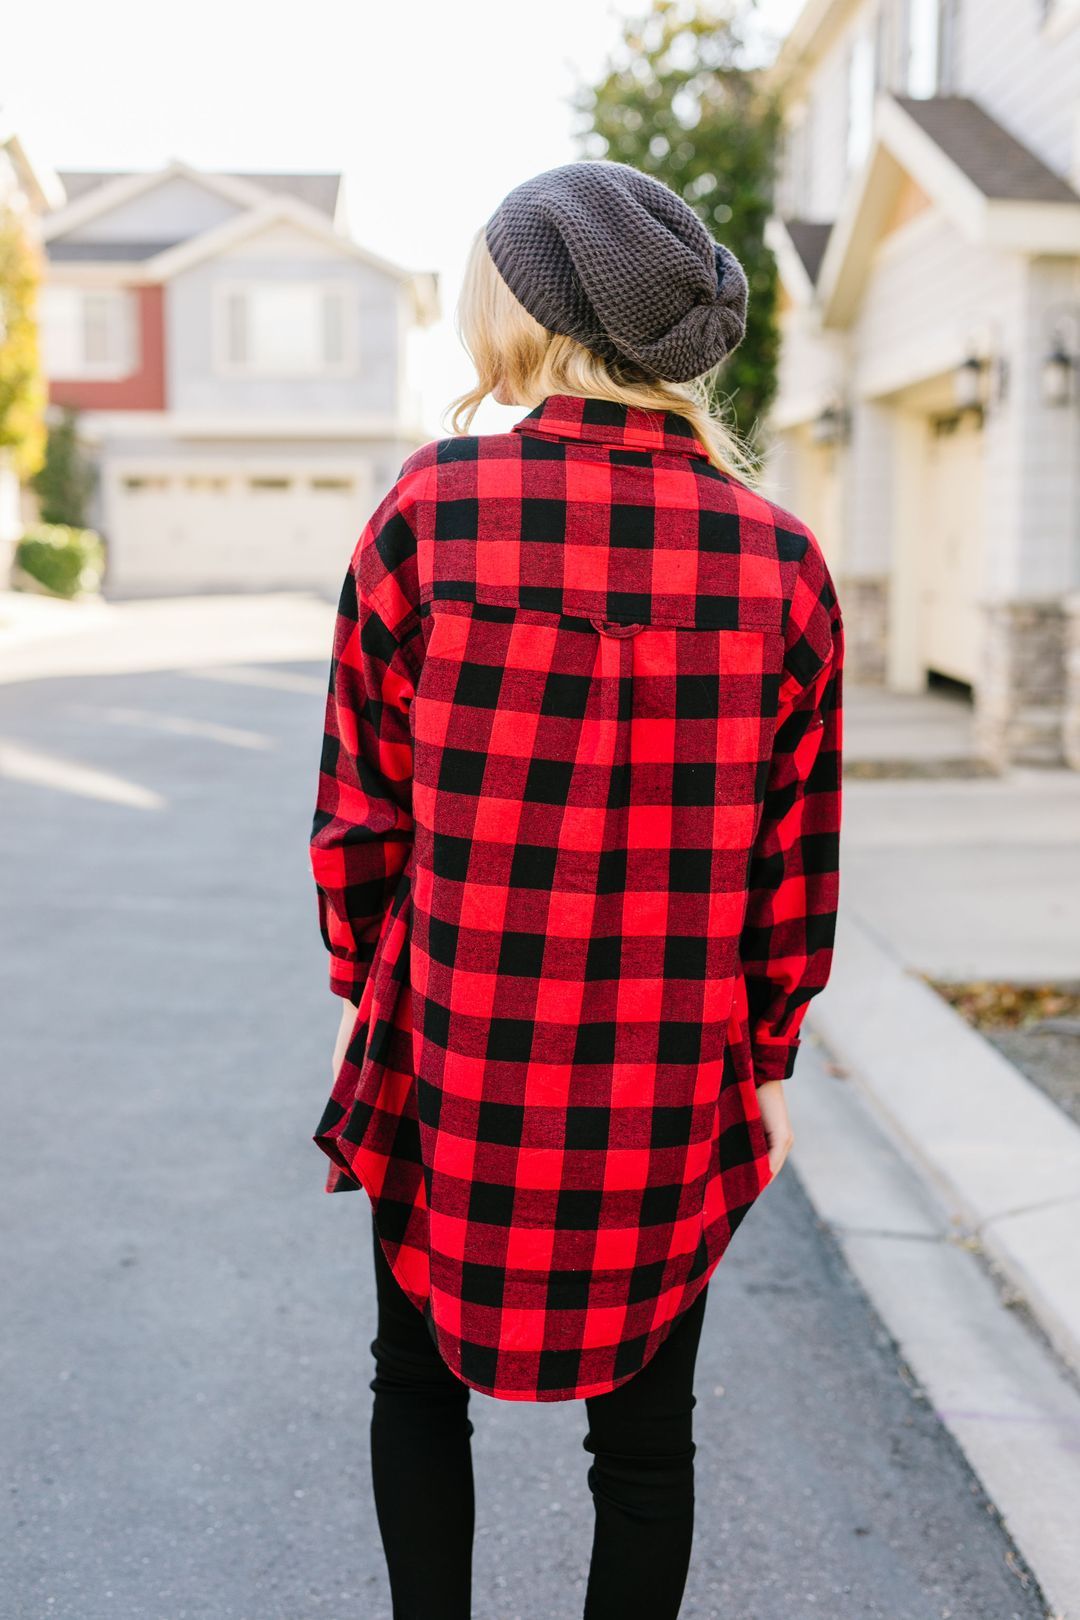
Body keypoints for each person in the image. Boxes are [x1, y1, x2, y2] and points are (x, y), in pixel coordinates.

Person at [308, 159, 844, 1620]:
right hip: (667, 1064)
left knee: (413, 1385)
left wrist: (362, 985)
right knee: (649, 1443)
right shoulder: (782, 561)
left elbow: (361, 804)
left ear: (532, 313)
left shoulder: (432, 509)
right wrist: (769, 1055)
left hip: (455, 1036)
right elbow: (793, 863)